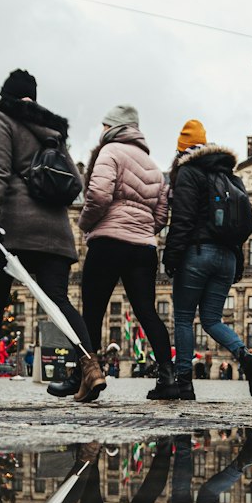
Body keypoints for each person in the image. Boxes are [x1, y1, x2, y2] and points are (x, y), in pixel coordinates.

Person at [0, 69, 104, 405]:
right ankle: (91, 368)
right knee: (59, 300)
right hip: (55, 231)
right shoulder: (54, 130)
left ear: (7, 95)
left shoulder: (4, 118)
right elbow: (75, 185)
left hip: (15, 226)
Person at [162, 119, 252, 402]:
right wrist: (238, 263)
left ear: (182, 150)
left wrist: (170, 257)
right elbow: (239, 227)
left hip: (198, 254)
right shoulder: (232, 177)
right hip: (227, 258)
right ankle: (247, 358)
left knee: (184, 318)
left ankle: (184, 382)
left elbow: (182, 221)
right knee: (211, 319)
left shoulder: (189, 172)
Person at [77, 103, 176, 402]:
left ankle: (87, 377)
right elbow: (161, 215)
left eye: (105, 126)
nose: (102, 131)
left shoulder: (110, 152)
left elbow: (97, 195)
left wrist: (87, 224)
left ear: (114, 127)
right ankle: (168, 377)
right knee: (147, 312)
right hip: (144, 248)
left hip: (109, 241)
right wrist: (144, 230)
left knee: (92, 312)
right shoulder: (154, 167)